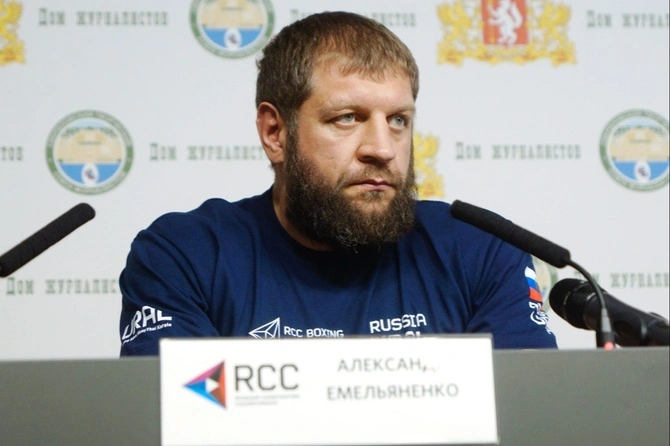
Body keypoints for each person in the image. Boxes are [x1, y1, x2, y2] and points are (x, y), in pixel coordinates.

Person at [119, 11, 557, 356]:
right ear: (275, 133)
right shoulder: (186, 255)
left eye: (398, 120)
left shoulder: (480, 249)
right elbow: (180, 418)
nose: (382, 149)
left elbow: (526, 415)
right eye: (347, 118)